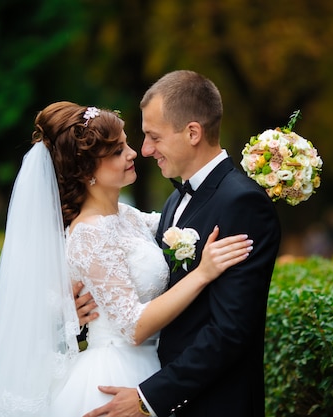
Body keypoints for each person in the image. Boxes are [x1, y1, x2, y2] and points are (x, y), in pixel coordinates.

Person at [0, 101, 253, 417]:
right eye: (117, 151)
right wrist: (202, 273)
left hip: (154, 366)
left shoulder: (128, 216)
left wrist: (250, 187)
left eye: (126, 144)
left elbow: (193, 221)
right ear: (86, 171)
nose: (134, 153)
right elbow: (133, 326)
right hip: (115, 375)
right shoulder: (88, 233)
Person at [84, 70, 282, 417]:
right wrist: (86, 310)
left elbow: (230, 331)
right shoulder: (175, 201)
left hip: (217, 404)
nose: (144, 150)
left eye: (153, 137)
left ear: (193, 132)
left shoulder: (243, 203)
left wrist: (149, 398)